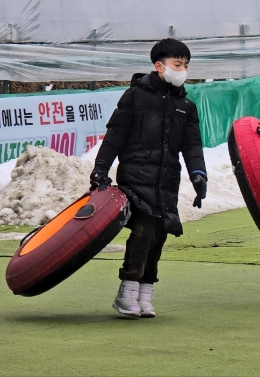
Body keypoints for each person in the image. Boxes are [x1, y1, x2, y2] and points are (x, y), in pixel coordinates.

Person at [90, 38, 207, 318]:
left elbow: (192, 145)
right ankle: (126, 292)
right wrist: (101, 168)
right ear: (159, 66)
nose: (183, 70)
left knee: (158, 235)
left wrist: (198, 174)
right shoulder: (135, 97)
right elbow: (116, 134)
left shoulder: (186, 106)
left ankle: (144, 294)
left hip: (166, 181)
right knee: (143, 231)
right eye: (178, 64)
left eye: (186, 65)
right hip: (135, 177)